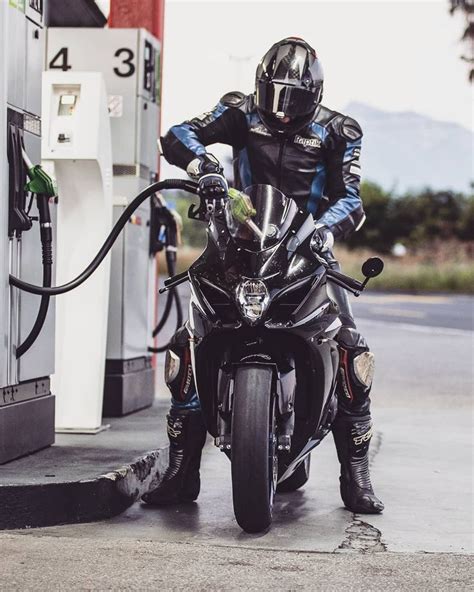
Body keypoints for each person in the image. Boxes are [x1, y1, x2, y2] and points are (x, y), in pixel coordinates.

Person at [142, 37, 384, 514]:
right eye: (274, 97)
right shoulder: (240, 112)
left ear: (314, 95)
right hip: (239, 245)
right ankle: (180, 470)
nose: (283, 111)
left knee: (351, 341)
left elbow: (351, 198)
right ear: (259, 88)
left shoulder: (340, 130)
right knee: (187, 337)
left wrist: (325, 231)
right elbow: (177, 134)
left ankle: (356, 476)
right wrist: (204, 165)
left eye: (294, 100)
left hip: (307, 248)